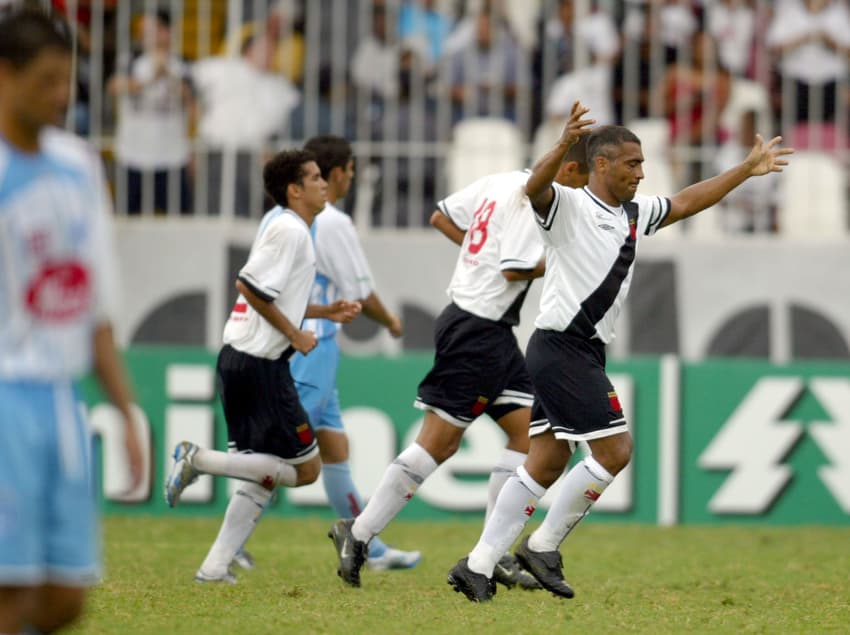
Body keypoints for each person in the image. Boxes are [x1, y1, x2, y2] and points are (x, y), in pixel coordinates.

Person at [446, 101, 793, 602]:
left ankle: (476, 566)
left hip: (575, 349)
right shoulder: (567, 205)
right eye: (632, 163)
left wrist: (745, 168)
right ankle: (542, 547)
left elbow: (686, 202)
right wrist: (564, 144)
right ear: (602, 164)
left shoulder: (633, 213)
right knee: (615, 451)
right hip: (563, 347)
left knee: (545, 462)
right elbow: (533, 188)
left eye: (643, 164)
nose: (641, 172)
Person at [328, 134, 591, 591]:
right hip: (475, 331)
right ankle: (360, 531)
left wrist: (476, 257)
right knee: (439, 443)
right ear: (568, 171)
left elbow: (441, 217)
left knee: (528, 436)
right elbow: (513, 268)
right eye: (584, 182)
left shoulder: (499, 181)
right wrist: (565, 259)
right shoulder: (535, 203)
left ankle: (488, 555)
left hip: (490, 330)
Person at [0, 8, 144, 633]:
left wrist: (124, 409)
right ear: (5, 76)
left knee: (65, 599)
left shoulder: (79, 164)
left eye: (68, 80)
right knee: (11, 592)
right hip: (4, 397)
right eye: (47, 80)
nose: (61, 95)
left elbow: (95, 304)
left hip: (60, 403)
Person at [218, 135, 420, 572]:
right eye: (349, 170)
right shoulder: (331, 222)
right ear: (337, 172)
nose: (348, 179)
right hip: (310, 346)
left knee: (335, 447)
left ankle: (368, 548)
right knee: (280, 455)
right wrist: (390, 322)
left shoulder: (278, 215)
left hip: (310, 337)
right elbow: (360, 291)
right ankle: (225, 537)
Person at [164, 149, 361, 583]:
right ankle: (197, 460)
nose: (323, 183)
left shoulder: (294, 230)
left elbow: (275, 294)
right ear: (294, 190)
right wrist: (295, 335)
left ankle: (214, 568)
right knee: (307, 470)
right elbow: (249, 287)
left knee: (260, 477)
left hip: (244, 362)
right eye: (313, 178)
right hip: (260, 366)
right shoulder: (289, 231)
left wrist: (326, 313)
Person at [108, 8, 195, 215]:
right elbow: (114, 86)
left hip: (172, 156)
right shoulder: (130, 59)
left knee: (180, 221)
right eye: (141, 30)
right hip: (133, 155)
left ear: (168, 31)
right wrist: (148, 80)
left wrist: (169, 76)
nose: (143, 35)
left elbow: (192, 102)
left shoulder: (182, 63)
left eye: (151, 29)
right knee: (125, 221)